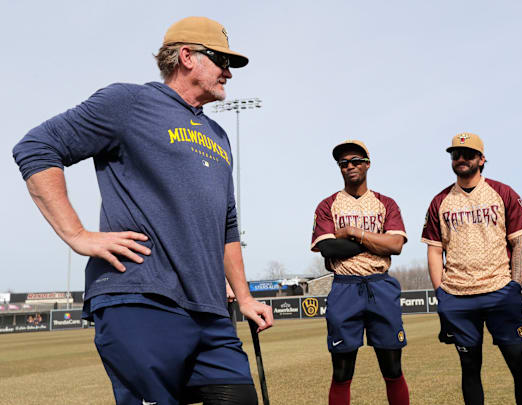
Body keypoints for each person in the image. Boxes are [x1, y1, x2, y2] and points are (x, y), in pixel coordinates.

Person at [12, 16, 272, 405]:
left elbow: (227, 225)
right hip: (140, 300)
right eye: (220, 60)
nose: (228, 73)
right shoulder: (129, 102)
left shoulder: (219, 136)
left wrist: (244, 296)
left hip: (211, 313)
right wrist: (77, 235)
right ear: (187, 57)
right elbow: (36, 147)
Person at [421, 133, 522, 405]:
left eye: (468, 154)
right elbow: (435, 250)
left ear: (482, 159)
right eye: (455, 154)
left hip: (499, 292)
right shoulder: (440, 200)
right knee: (470, 369)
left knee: (519, 365)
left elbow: (520, 243)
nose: (461, 159)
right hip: (458, 297)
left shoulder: (503, 192)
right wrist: (442, 294)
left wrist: (514, 287)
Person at [311, 140, 410, 405]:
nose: (350, 166)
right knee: (342, 372)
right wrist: (376, 243)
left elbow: (396, 245)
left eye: (355, 161)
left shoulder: (385, 203)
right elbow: (327, 247)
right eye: (343, 163)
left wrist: (354, 233)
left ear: (367, 163)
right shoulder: (327, 205)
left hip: (380, 285)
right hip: (344, 287)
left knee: (392, 368)